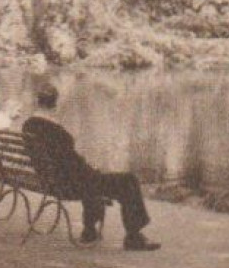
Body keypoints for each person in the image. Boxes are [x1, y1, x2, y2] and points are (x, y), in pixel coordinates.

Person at [21, 90, 160, 252]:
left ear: (38, 102)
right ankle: (133, 237)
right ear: (55, 105)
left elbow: (67, 164)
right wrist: (92, 170)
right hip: (67, 185)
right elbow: (73, 166)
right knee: (128, 181)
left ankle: (89, 231)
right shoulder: (57, 132)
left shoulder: (29, 126)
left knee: (91, 180)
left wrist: (88, 170)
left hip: (50, 180)